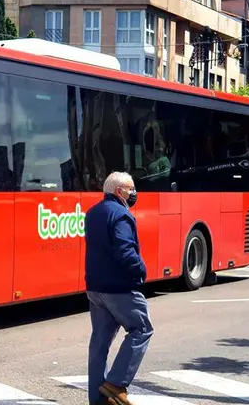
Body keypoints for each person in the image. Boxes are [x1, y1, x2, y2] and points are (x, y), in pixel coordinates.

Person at [84, 171, 153, 405]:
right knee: (142, 329)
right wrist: (141, 270)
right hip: (120, 288)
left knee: (100, 343)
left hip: (95, 288)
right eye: (131, 189)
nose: (134, 193)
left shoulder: (93, 213)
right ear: (119, 191)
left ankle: (97, 399)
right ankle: (115, 383)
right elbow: (124, 251)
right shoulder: (121, 214)